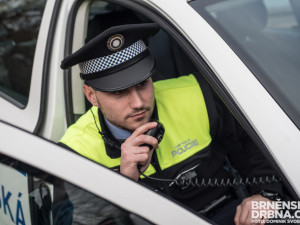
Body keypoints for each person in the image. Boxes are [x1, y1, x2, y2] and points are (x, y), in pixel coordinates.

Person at [59, 23, 284, 225]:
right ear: (91, 95)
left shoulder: (196, 94)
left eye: (143, 84)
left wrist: (265, 194)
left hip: (227, 214)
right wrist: (124, 184)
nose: (138, 103)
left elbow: (256, 137)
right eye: (119, 92)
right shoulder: (76, 151)